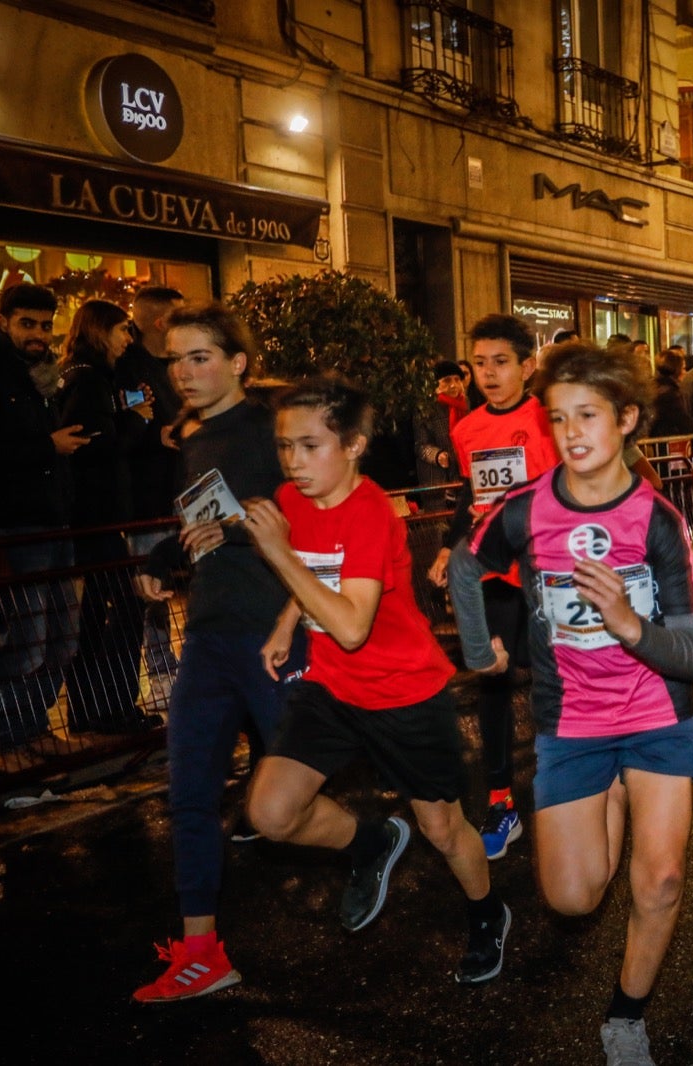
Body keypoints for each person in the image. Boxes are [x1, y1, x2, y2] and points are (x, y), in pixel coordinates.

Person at [449, 345, 693, 1064]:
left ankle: (626, 1017)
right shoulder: (527, 508)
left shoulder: (658, 520)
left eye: (586, 415)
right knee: (572, 898)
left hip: (656, 713)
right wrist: (477, 650)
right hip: (571, 721)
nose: (570, 433)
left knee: (661, 880)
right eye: (558, 418)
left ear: (626, 419)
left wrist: (628, 624)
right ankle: (613, 793)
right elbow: (465, 564)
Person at [239, 377, 507, 987]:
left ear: (354, 445)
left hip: (403, 690)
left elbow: (352, 626)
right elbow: (318, 572)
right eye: (285, 446)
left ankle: (487, 912)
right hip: (332, 685)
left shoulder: (371, 513)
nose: (294, 462)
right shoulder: (293, 499)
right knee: (271, 812)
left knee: (442, 829)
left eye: (310, 446)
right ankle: (371, 842)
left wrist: (278, 554)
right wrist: (286, 622)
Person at [130, 302, 306, 1003]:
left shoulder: (272, 431)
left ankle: (372, 842)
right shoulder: (195, 438)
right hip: (207, 632)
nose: (183, 371)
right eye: (175, 359)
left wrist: (235, 532)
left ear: (237, 362)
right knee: (191, 792)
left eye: (199, 356)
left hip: (271, 632)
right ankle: (201, 950)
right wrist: (164, 554)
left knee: (304, 789)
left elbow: (307, 517)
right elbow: (202, 524)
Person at [427, 314, 561, 860]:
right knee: (492, 680)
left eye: (500, 362)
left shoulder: (550, 420)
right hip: (492, 573)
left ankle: (571, 775)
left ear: (527, 367)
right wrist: (448, 545)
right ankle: (502, 801)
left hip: (546, 572)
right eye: (480, 363)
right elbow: (471, 493)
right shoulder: (467, 429)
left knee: (550, 674)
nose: (488, 373)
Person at [0, 284, 87, 753]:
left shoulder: (44, 377)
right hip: (11, 525)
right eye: (27, 323)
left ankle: (34, 728)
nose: (38, 334)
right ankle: (13, 739)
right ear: (3, 322)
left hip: (52, 520)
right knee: (24, 637)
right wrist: (48, 447)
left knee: (62, 636)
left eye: (46, 325)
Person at [55, 299, 161, 734]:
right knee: (120, 609)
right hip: (96, 519)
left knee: (98, 614)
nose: (127, 339)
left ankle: (94, 710)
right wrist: (134, 420)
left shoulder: (84, 377)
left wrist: (126, 414)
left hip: (91, 518)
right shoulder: (88, 380)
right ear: (100, 331)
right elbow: (95, 446)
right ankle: (108, 707)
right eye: (121, 330)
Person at [117, 285, 186, 704]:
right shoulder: (129, 368)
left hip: (185, 490)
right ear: (162, 322)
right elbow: (126, 429)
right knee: (152, 590)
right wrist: (154, 435)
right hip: (148, 497)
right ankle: (162, 676)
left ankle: (188, 671)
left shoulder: (178, 363)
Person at [415, 359, 469, 488]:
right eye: (447, 381)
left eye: (457, 380)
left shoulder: (465, 403)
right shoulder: (426, 407)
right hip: (438, 476)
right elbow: (420, 445)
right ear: (436, 383)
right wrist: (437, 455)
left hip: (464, 473)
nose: (453, 385)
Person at [649, 351, 693, 437]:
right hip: (669, 438)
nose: (685, 372)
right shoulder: (671, 395)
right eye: (683, 368)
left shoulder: (655, 387)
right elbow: (684, 422)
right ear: (676, 370)